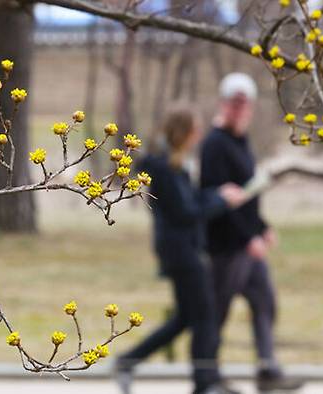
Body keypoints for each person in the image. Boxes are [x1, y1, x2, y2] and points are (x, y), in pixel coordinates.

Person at [115, 104, 244, 394]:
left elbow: (193, 199)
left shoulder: (175, 165)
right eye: (195, 131)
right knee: (205, 317)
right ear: (183, 132)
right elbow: (185, 212)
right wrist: (222, 203)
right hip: (181, 252)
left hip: (183, 249)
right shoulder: (163, 167)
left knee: (186, 317)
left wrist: (218, 194)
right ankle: (204, 383)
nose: (198, 137)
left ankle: (128, 361)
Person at [200, 73, 305, 393]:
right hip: (226, 246)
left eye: (245, 104)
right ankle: (208, 377)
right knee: (218, 310)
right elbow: (221, 200)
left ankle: (267, 369)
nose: (240, 109)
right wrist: (249, 238)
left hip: (248, 243)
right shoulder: (215, 144)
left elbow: (247, 194)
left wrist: (262, 227)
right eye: (235, 103)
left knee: (264, 301)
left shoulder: (241, 140)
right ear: (224, 104)